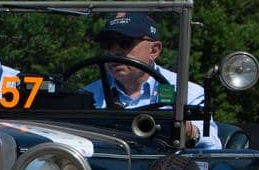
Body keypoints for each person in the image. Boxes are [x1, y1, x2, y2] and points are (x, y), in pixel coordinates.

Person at [80, 12, 221, 150]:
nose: (114, 51)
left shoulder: (187, 93)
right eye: (107, 44)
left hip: (164, 169)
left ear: (154, 50)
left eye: (125, 42)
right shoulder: (86, 96)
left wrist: (189, 131)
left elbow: (213, 146)